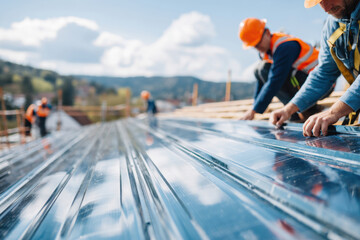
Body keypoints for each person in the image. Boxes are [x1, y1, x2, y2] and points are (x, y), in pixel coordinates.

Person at [271, 0, 360, 137]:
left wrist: (334, 112)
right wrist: (289, 110)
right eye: (320, 2)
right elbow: (324, 73)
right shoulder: (332, 26)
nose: (326, 8)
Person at [238, 18, 327, 121]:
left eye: (258, 43)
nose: (257, 48)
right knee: (259, 70)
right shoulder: (266, 53)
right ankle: (300, 111)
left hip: (321, 84)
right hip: (302, 81)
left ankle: (296, 115)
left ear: (267, 33)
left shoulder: (285, 46)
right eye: (254, 46)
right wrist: (254, 108)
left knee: (265, 70)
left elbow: (275, 81)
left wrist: (254, 110)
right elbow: (261, 81)